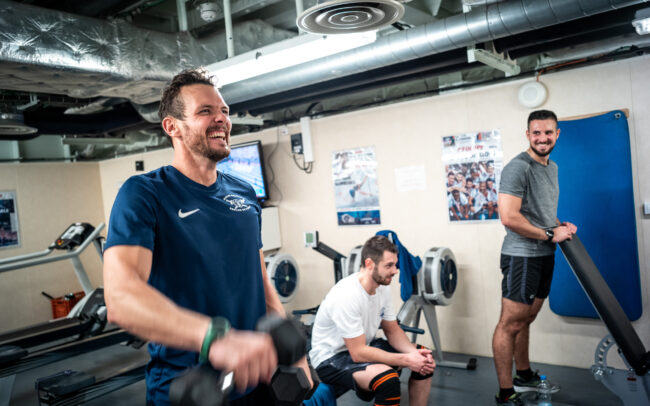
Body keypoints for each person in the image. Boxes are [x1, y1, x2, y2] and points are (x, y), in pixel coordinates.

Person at [102, 68, 310, 405]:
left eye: (224, 111)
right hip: (193, 386)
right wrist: (214, 338)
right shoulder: (144, 194)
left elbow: (259, 278)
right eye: (205, 111)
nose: (222, 119)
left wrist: (293, 352)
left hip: (257, 379)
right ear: (172, 126)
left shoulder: (244, 193)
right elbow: (121, 298)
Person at [492, 110, 577, 406]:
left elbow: (540, 213)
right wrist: (550, 234)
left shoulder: (552, 167)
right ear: (528, 135)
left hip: (544, 253)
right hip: (522, 256)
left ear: (557, 134)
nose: (543, 138)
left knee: (527, 318)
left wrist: (560, 225)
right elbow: (509, 217)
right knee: (510, 323)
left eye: (548, 132)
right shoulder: (518, 168)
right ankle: (505, 392)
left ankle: (524, 374)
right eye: (537, 132)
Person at [309, 235, 435, 406]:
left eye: (395, 264)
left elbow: (392, 329)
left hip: (362, 346)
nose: (395, 271)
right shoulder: (346, 295)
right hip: (330, 358)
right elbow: (358, 353)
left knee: (425, 357)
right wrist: (407, 360)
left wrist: (414, 356)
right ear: (369, 264)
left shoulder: (382, 287)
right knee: (388, 381)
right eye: (389, 265)